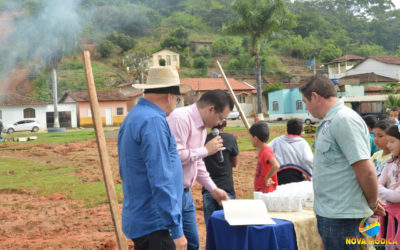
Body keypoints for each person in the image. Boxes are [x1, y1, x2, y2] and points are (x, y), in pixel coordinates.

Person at [299, 74, 385, 250]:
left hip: (342, 219)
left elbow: (366, 170)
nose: (306, 108)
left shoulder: (344, 120)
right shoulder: (331, 121)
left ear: (315, 96)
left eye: (305, 102)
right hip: (333, 215)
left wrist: (372, 203)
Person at [118, 66, 187, 250]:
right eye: (178, 99)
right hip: (156, 224)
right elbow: (161, 178)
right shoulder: (153, 121)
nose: (176, 103)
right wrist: (176, 229)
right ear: (169, 96)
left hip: (141, 218)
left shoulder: (133, 117)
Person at [167, 89, 233, 250]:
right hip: (170, 193)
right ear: (211, 109)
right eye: (220, 118)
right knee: (173, 243)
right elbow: (174, 155)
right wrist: (206, 150)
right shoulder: (181, 118)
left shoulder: (202, 128)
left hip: (185, 193)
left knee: (192, 243)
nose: (219, 123)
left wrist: (213, 189)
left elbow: (197, 162)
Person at [202, 119, 239, 227]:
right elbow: (235, 163)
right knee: (229, 229)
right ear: (225, 124)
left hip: (209, 189)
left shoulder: (204, 139)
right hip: (226, 188)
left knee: (211, 229)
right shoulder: (230, 138)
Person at [269, 118, 313, 184]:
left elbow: (266, 150)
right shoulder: (303, 143)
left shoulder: (277, 141)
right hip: (296, 177)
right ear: (301, 132)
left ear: (287, 130)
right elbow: (308, 159)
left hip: (279, 177)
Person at [377, 123, 400, 245]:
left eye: (392, 141)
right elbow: (379, 184)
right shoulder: (391, 162)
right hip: (388, 214)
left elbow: (396, 197)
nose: (388, 145)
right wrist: (381, 188)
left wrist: (380, 188)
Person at [249, 121, 280, 193]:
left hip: (266, 191)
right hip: (262, 190)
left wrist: (267, 177)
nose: (250, 140)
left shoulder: (266, 151)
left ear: (256, 139)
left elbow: (276, 165)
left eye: (251, 137)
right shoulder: (262, 151)